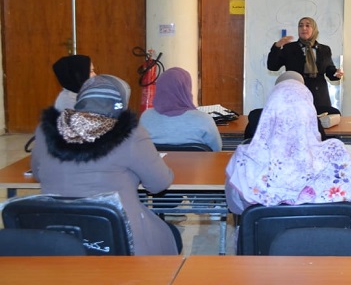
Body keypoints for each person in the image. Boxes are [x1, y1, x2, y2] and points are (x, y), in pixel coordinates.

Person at [31, 74, 179, 255]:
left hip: (56, 232)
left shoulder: (46, 129)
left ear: (81, 98)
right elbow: (159, 184)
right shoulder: (130, 132)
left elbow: (39, 174)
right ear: (122, 101)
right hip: (115, 234)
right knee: (171, 235)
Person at [225, 79, 351, 215]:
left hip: (266, 238)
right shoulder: (336, 152)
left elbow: (236, 207)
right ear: (310, 113)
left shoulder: (245, 156)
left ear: (268, 112)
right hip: (328, 238)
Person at [267, 16, 343, 111]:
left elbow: (329, 70)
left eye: (308, 25)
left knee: (320, 123)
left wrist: (336, 73)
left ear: (314, 29)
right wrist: (277, 47)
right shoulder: (289, 48)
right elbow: (272, 66)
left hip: (319, 95)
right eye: (300, 26)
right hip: (296, 93)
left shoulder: (324, 49)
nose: (304, 28)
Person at [139, 67, 223, 151]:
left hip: (156, 164)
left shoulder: (146, 117)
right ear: (186, 89)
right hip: (196, 164)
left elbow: (139, 148)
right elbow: (216, 150)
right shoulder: (204, 119)